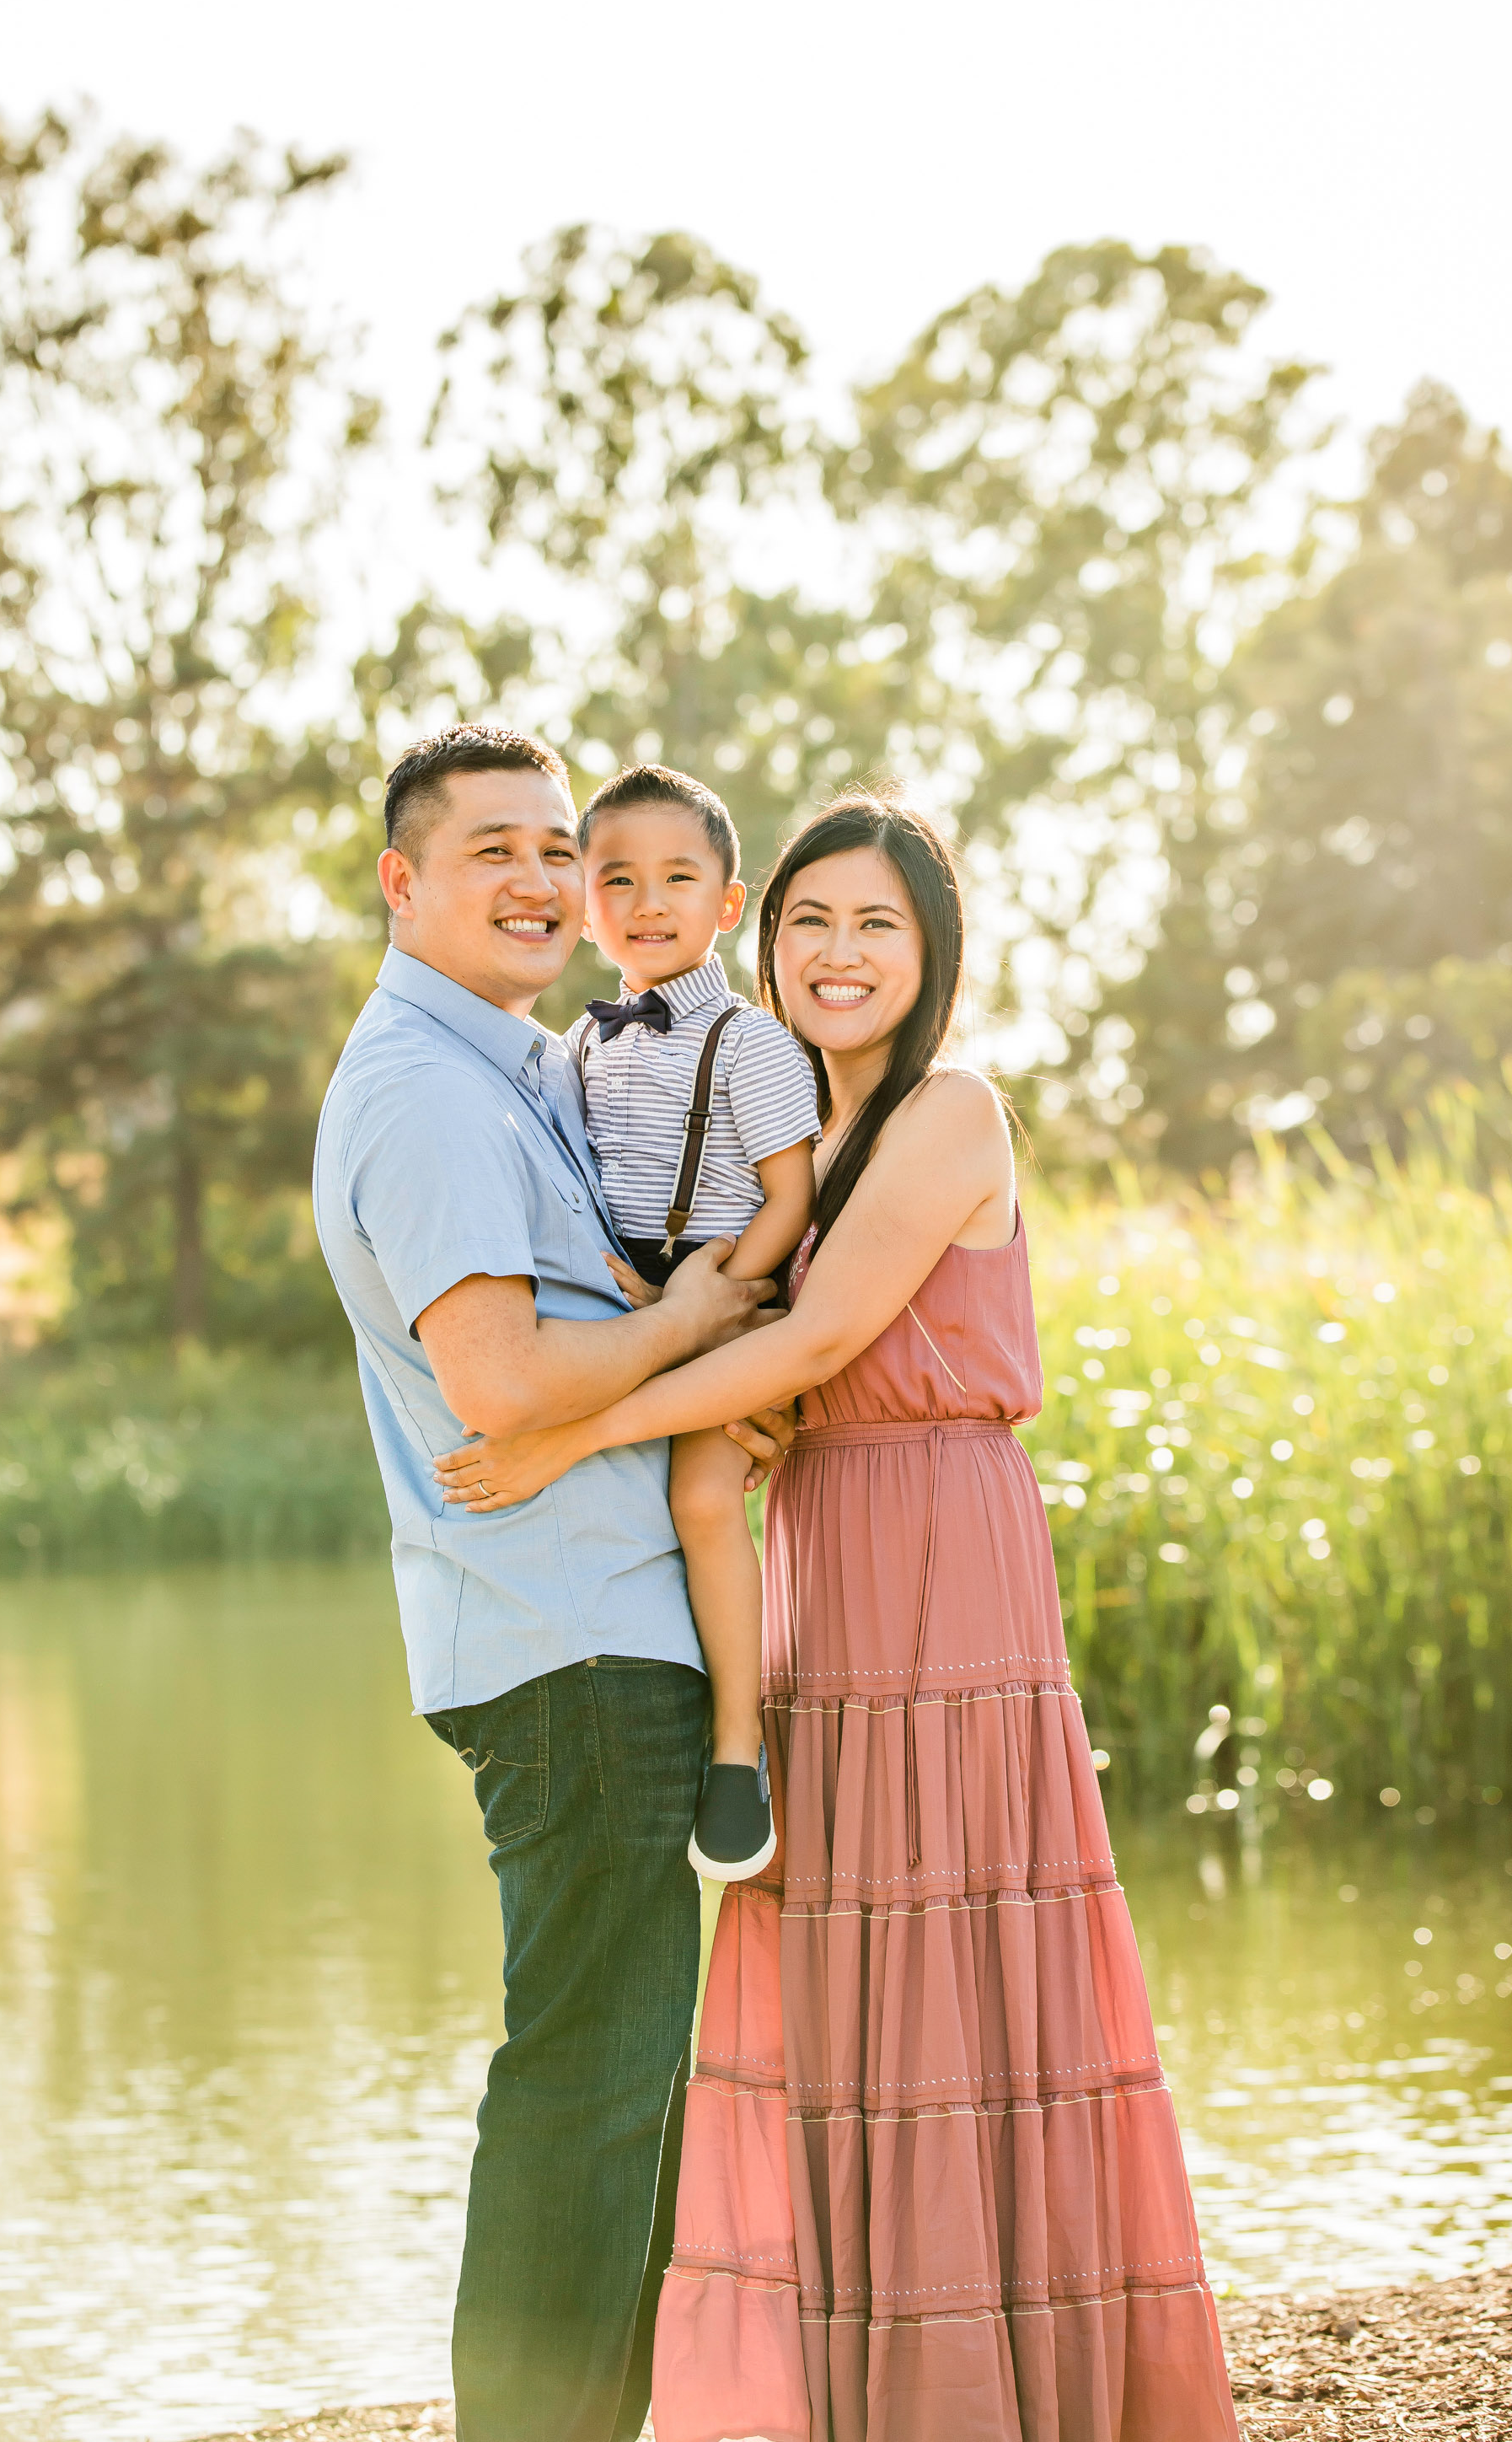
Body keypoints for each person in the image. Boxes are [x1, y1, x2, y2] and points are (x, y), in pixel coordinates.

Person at [436, 789, 1241, 2440]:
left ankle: (995, 2372)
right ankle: (866, 2367)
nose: (837, 951)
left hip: (944, 1561)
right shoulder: (788, 1130)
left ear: (929, 952)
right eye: (809, 922)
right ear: (764, 939)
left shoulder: (952, 1114)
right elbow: (741, 1335)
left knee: (956, 1939)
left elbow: (804, 1348)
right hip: (821, 1564)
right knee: (843, 1952)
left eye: (875, 923)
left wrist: (571, 1427)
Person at [311, 722, 791, 2442]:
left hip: (584, 1629)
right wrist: (689, 1321)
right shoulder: (431, 1095)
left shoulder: (510, 1067)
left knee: (609, 2079)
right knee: (591, 2085)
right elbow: (504, 1382)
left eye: (548, 849)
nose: (534, 880)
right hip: (565, 1644)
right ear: (402, 882)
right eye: (490, 851)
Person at [576, 764, 820, 1880]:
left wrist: (717, 1306)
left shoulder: (754, 1042)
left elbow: (791, 1194)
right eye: (616, 879)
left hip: (729, 1295)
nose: (647, 902)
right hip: (632, 1301)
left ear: (729, 902)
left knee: (703, 1496)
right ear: (585, 905)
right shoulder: (580, 1047)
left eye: (678, 877)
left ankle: (738, 1751)